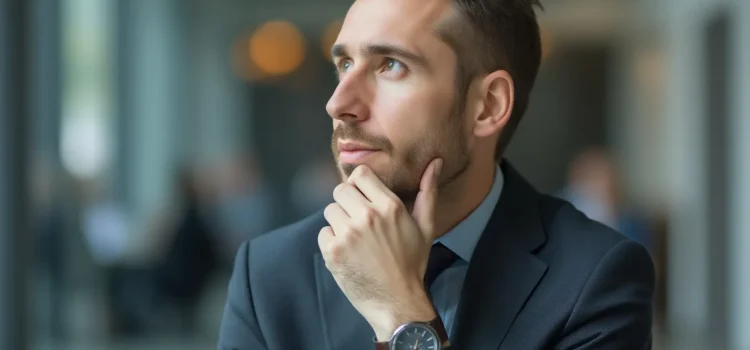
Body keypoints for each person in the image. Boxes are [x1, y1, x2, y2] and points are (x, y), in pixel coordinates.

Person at [218, 0, 655, 348]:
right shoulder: (268, 275)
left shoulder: (595, 279)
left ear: (487, 106)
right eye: (345, 64)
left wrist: (401, 314)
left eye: (391, 65)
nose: (338, 103)